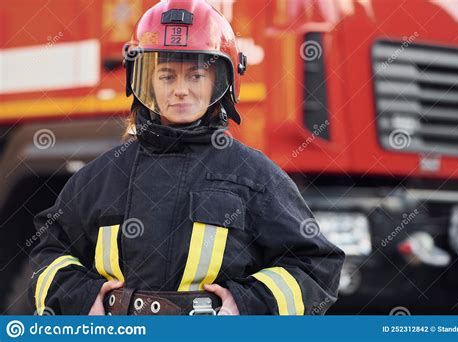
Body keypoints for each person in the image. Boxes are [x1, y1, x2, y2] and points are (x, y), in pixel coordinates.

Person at [29, 0, 344, 316]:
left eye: (195, 76)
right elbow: (49, 250)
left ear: (221, 82)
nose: (180, 90)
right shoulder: (101, 176)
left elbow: (316, 264)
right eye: (166, 76)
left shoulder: (255, 176)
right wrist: (82, 299)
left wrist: (248, 305)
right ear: (144, 82)